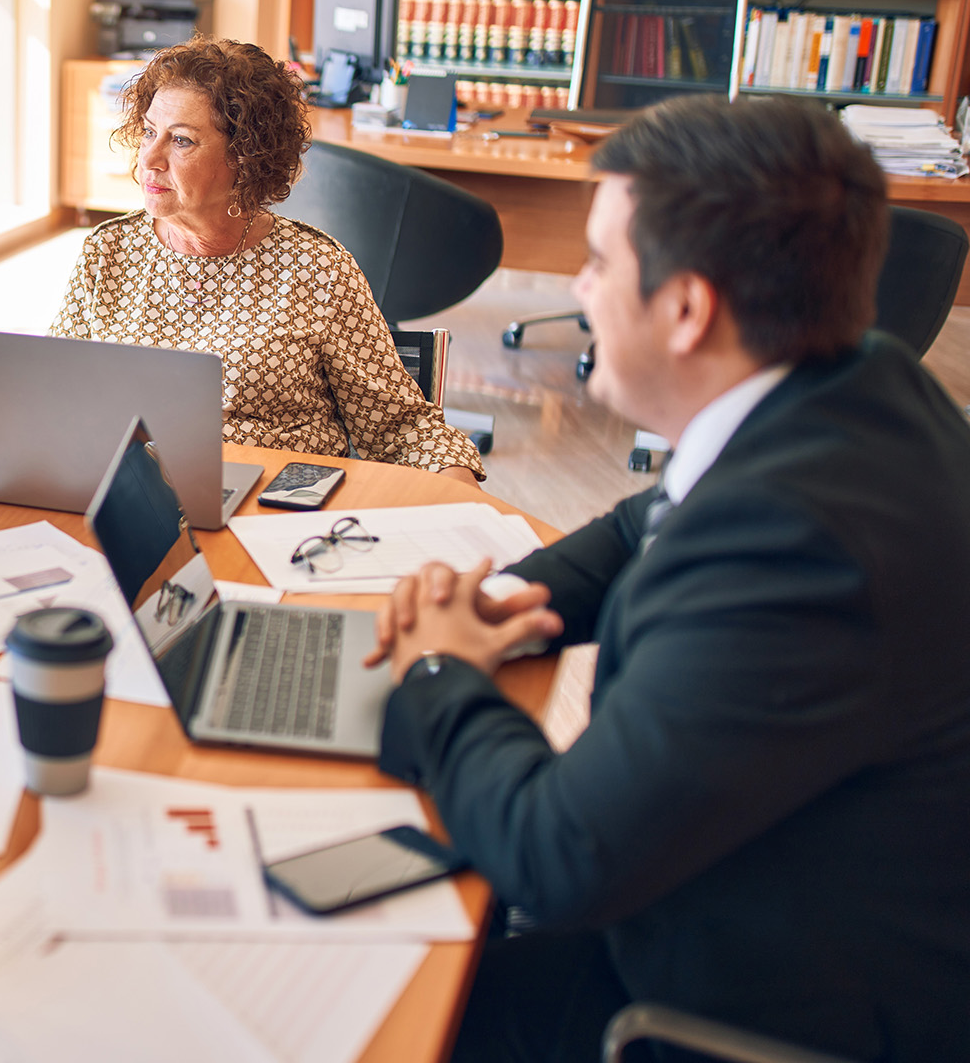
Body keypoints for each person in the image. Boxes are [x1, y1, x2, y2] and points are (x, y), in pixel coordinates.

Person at [366, 94, 970, 1061]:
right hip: (743, 876)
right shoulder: (862, 382)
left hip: (739, 1004)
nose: (578, 281)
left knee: (375, 1007)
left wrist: (442, 670)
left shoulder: (793, 549)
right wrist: (509, 601)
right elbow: (644, 519)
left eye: (601, 261)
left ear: (688, 308)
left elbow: (556, 860)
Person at [50, 38, 483, 485]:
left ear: (245, 157)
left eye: (181, 140)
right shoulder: (108, 252)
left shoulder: (318, 271)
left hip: (275, 504)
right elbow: (58, 393)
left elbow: (402, 429)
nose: (149, 158)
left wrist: (461, 496)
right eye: (147, 132)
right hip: (139, 499)